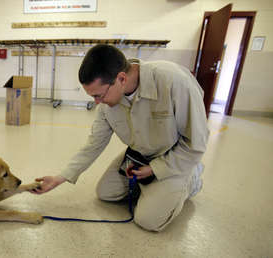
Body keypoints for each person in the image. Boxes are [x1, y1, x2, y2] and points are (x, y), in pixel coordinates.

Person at [31, 44, 209, 232]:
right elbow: (93, 144)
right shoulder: (109, 102)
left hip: (174, 158)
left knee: (148, 220)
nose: (97, 102)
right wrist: (60, 178)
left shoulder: (174, 82)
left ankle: (192, 178)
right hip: (140, 155)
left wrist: (156, 169)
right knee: (106, 193)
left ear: (121, 78)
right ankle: (155, 189)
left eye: (99, 95)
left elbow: (196, 144)